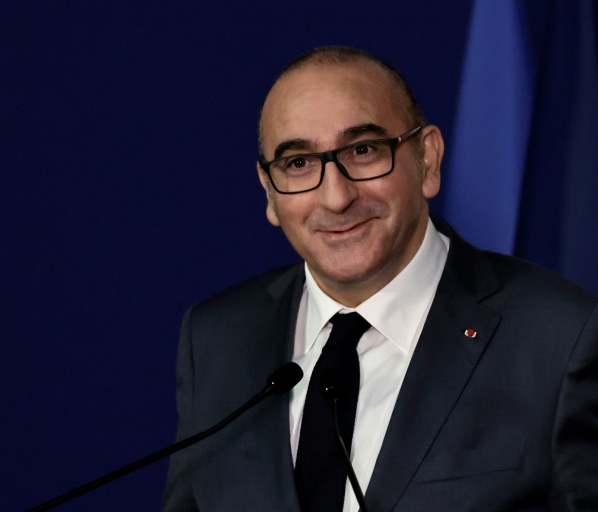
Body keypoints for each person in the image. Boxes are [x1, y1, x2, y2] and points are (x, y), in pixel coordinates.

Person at [161, 46, 598, 511]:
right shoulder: (216, 338)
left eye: (363, 151)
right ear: (269, 190)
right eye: (298, 163)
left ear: (427, 160)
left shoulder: (562, 337)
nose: (336, 197)